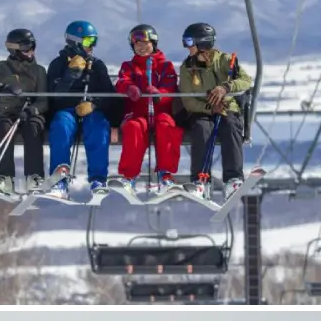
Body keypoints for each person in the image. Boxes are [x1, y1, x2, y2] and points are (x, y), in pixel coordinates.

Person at [175, 22, 252, 200]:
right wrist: (209, 107)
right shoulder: (187, 68)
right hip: (202, 111)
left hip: (226, 108)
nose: (187, 48)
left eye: (189, 42)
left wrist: (226, 87)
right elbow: (188, 100)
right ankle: (201, 180)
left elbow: (246, 80)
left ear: (202, 43)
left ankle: (233, 178)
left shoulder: (224, 61)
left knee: (231, 126)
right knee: (201, 129)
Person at [45, 21, 122, 198]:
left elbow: (109, 96)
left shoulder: (97, 66)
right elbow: (54, 96)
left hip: (91, 110)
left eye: (94, 42)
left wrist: (93, 104)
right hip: (66, 110)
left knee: (98, 126)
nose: (91, 47)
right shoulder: (58, 65)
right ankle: (59, 179)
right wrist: (70, 76)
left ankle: (98, 178)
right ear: (75, 42)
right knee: (61, 127)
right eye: (88, 42)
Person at [0, 28, 47, 195]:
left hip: (31, 113)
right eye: (26, 47)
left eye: (32, 46)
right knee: (2, 127)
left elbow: (43, 100)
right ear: (14, 49)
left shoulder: (39, 71)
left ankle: (34, 177)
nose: (30, 51)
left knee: (33, 128)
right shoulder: (3, 68)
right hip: (8, 112)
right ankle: (5, 178)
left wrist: (32, 110)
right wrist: (2, 87)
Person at [115, 24, 184, 193]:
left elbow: (170, 88)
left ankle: (165, 174)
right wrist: (129, 88)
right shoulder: (129, 66)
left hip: (161, 111)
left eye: (145, 44)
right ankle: (129, 176)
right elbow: (122, 80)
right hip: (138, 112)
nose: (141, 48)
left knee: (166, 127)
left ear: (153, 44)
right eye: (137, 45)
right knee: (133, 128)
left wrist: (160, 94)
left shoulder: (165, 66)